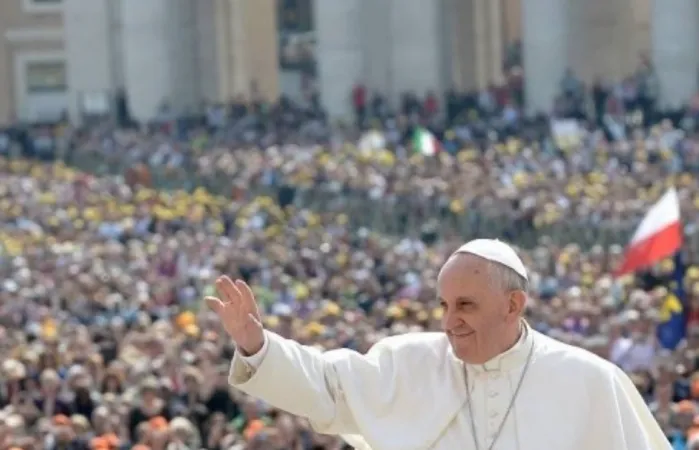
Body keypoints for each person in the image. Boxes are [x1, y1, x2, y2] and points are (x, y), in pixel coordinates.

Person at [207, 238, 670, 450]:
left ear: (513, 305)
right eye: (444, 305)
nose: (450, 322)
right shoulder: (410, 361)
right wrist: (257, 345)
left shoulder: (590, 382)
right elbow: (326, 386)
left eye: (465, 305)